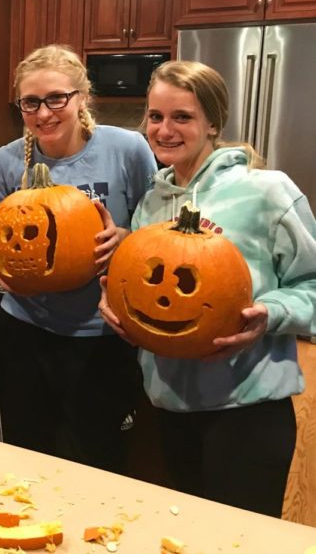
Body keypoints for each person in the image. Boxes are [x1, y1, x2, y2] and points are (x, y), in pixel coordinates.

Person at [99, 60, 316, 516]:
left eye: (182, 117)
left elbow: (311, 283)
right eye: (156, 117)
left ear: (213, 122)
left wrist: (270, 315)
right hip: (167, 404)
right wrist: (116, 301)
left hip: (246, 407)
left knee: (243, 539)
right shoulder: (152, 201)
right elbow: (144, 283)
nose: (165, 129)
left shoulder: (267, 192)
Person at [0, 44, 157, 473]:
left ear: (82, 97)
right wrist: (2, 269)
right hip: (24, 330)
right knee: (27, 454)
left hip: (101, 335)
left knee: (99, 457)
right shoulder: (7, 162)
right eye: (31, 103)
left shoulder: (127, 149)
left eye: (56, 98)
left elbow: (158, 230)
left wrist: (126, 238)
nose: (44, 113)